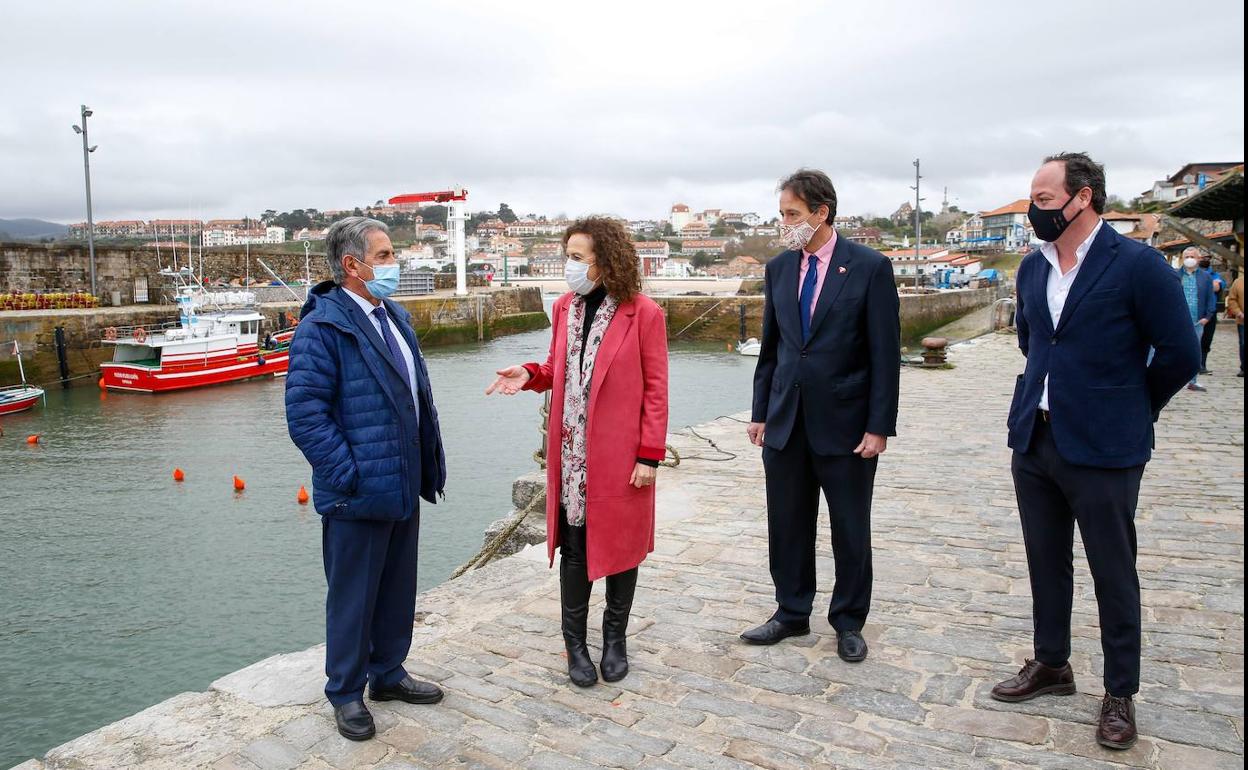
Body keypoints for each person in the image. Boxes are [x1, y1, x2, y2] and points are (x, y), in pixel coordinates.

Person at [997, 153, 1199, 751]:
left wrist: (1134, 408)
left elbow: (1180, 353)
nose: (1034, 207)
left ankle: (1119, 693)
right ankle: (1052, 663)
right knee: (1044, 557)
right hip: (1036, 437)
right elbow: (1033, 343)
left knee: (1113, 570)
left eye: (1044, 197)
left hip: (1107, 446)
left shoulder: (1137, 266)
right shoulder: (1033, 270)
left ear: (1081, 198)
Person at [487, 216, 669, 687]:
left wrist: (649, 455)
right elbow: (557, 368)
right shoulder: (565, 308)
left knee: (623, 552)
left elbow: (656, 391)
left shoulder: (643, 313)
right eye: (567, 255)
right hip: (571, 459)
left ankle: (615, 641)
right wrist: (529, 373)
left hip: (622, 457)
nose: (568, 265)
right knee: (575, 549)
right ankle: (575, 647)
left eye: (576, 257)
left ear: (604, 261)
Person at [285, 217, 447, 741]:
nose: (393, 264)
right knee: (353, 596)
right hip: (357, 491)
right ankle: (346, 692)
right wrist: (348, 476)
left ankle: (389, 673)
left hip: (401, 482)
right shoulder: (323, 327)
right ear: (351, 265)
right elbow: (306, 414)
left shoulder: (394, 316)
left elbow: (411, 395)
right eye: (383, 255)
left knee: (398, 587)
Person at [741, 169, 900, 663]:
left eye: (792, 214)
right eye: (782, 214)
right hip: (787, 422)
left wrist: (878, 426)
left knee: (850, 528)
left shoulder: (869, 267)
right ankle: (791, 612)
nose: (784, 224)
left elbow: (884, 353)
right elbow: (772, 349)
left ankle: (848, 621)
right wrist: (761, 412)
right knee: (787, 524)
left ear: (821, 213)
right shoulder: (780, 269)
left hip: (848, 425)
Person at [1177, 247, 1217, 392]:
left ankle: (1192, 381)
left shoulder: (1206, 277)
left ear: (1198, 259)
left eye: (1192, 256)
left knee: (1195, 351)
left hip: (1197, 321)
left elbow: (1210, 299)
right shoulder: (1175, 275)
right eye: (1186, 256)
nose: (1189, 259)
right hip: (1176, 320)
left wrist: (1207, 317)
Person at [1198, 253, 1225, 374]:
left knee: (1207, 340)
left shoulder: (1215, 274)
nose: (1205, 260)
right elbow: (1213, 286)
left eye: (1207, 258)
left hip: (1210, 312)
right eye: (1203, 258)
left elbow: (1217, 287)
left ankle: (1202, 364)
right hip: (1195, 311)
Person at [1228, 274, 1245, 377]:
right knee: (1243, 344)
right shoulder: (1238, 282)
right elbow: (1232, 299)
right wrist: (1238, 312)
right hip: (1242, 320)